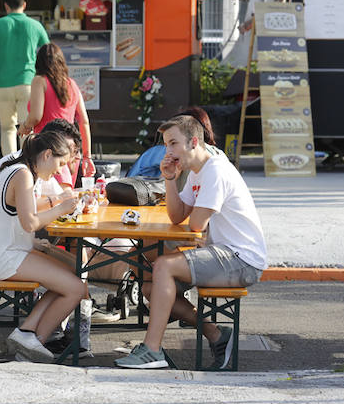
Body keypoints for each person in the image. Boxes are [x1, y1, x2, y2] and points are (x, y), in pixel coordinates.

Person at [114, 115, 268, 370]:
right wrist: (171, 178)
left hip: (241, 259)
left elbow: (196, 225)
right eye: (166, 145)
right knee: (151, 287)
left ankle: (152, 350)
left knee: (163, 266)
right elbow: (177, 215)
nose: (168, 151)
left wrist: (184, 193)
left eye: (173, 143)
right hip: (222, 254)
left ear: (193, 142)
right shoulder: (197, 171)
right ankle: (217, 335)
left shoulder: (216, 169)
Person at [0, 130, 89, 363]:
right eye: (60, 163)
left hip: (4, 251)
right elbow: (30, 224)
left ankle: (27, 332)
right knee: (76, 288)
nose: (59, 171)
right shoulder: (23, 174)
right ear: (47, 154)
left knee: (69, 275)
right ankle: (33, 341)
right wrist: (61, 208)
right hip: (4, 257)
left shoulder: (15, 166)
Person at [0, 0, 50, 156]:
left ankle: (9, 168)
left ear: (6, 6)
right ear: (24, 5)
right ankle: (28, 165)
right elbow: (48, 53)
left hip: (2, 84)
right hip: (28, 83)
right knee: (27, 127)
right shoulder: (35, 25)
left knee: (7, 128)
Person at [18, 43, 95, 186]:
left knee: (50, 198)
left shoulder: (39, 81)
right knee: (66, 196)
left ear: (39, 61)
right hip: (71, 150)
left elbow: (36, 116)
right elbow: (84, 121)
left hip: (48, 150)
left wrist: (24, 126)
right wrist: (87, 156)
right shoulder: (72, 83)